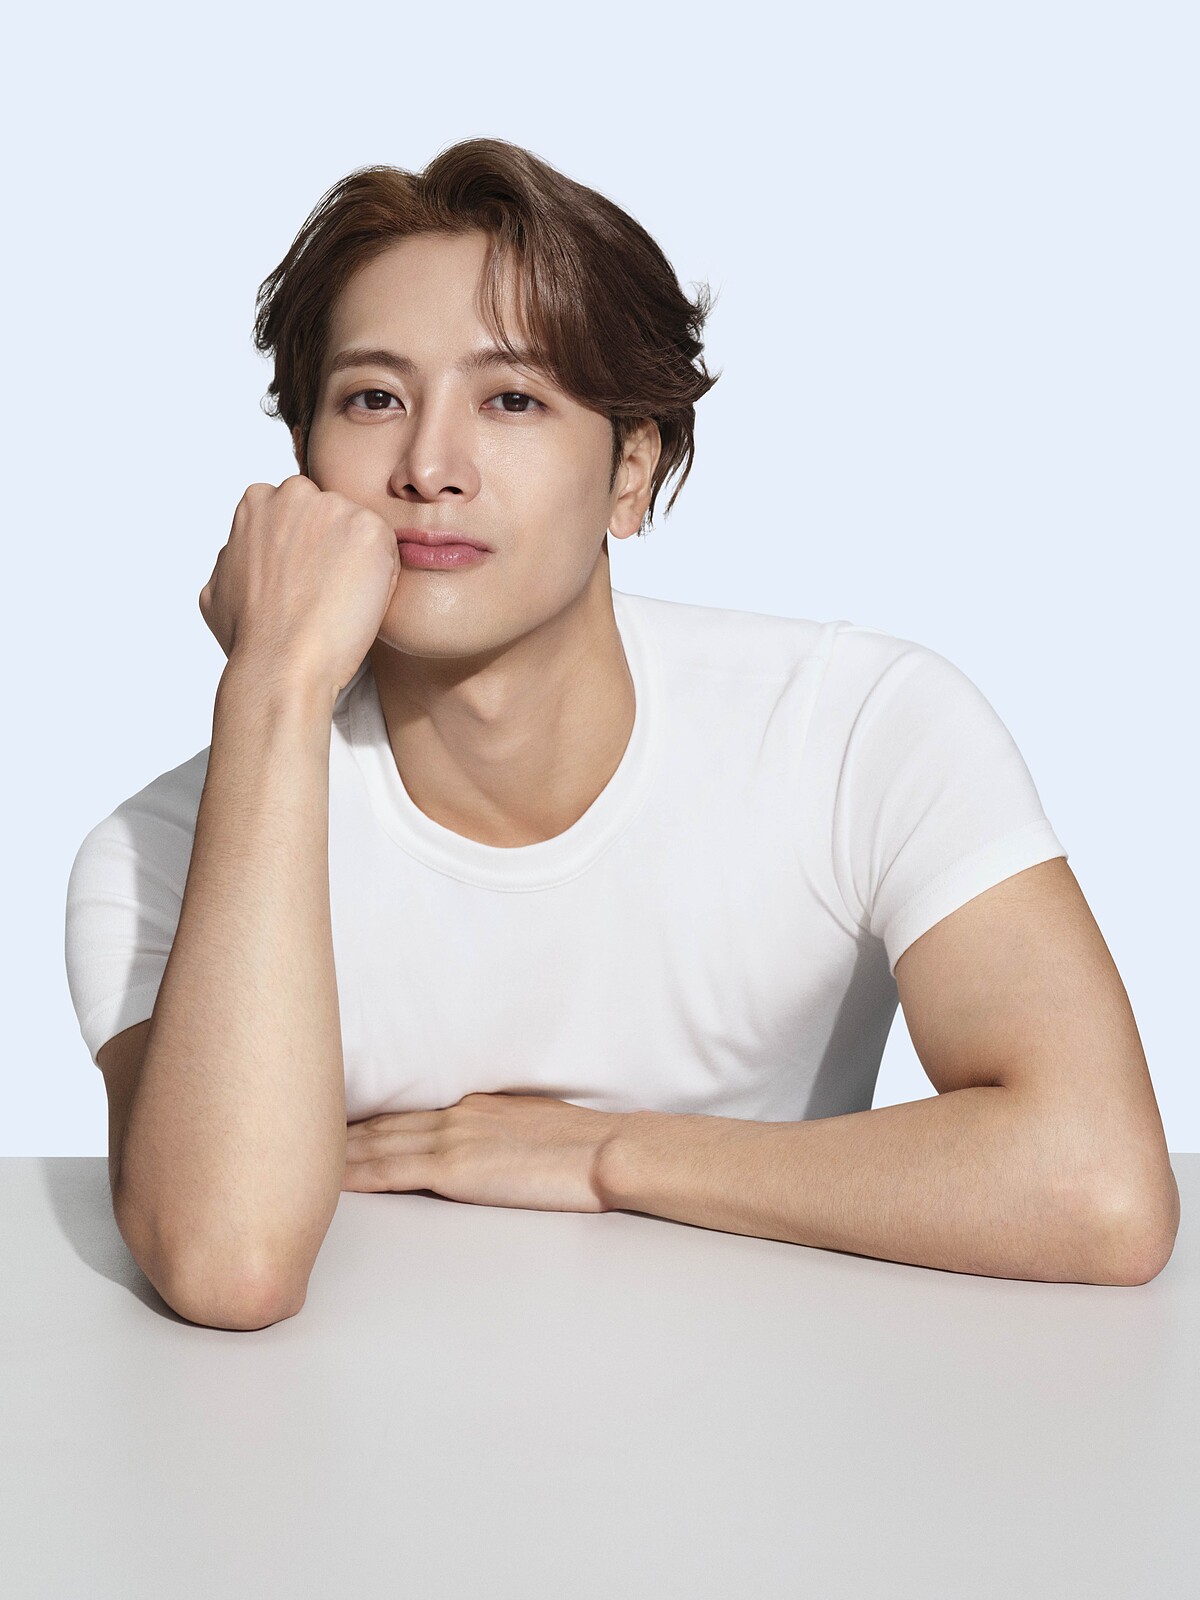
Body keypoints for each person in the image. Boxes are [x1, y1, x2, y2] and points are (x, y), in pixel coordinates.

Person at [64, 137, 1178, 1329]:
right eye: (374, 398)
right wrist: (274, 685)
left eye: (512, 399)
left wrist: (608, 1153)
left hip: (788, 1402)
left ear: (631, 471)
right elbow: (228, 1262)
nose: (429, 467)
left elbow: (1099, 1190)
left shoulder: (858, 730)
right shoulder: (161, 853)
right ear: (303, 472)